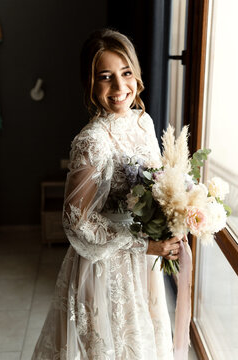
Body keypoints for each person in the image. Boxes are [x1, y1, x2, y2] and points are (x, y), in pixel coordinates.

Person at [32, 28, 181, 360]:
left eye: (125, 73)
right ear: (90, 83)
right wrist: (144, 244)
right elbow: (77, 222)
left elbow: (158, 185)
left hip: (143, 266)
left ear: (136, 74)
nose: (119, 87)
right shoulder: (92, 141)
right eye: (105, 77)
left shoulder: (143, 122)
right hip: (106, 270)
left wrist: (173, 221)